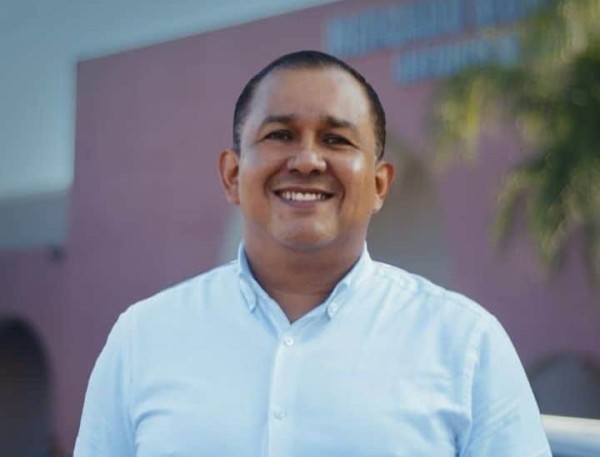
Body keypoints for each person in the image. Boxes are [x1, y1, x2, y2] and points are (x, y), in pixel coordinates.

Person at [74, 50, 551, 456]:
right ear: (232, 175)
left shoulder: (465, 344)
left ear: (379, 184)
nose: (306, 161)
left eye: (336, 139)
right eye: (280, 135)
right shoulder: (143, 339)